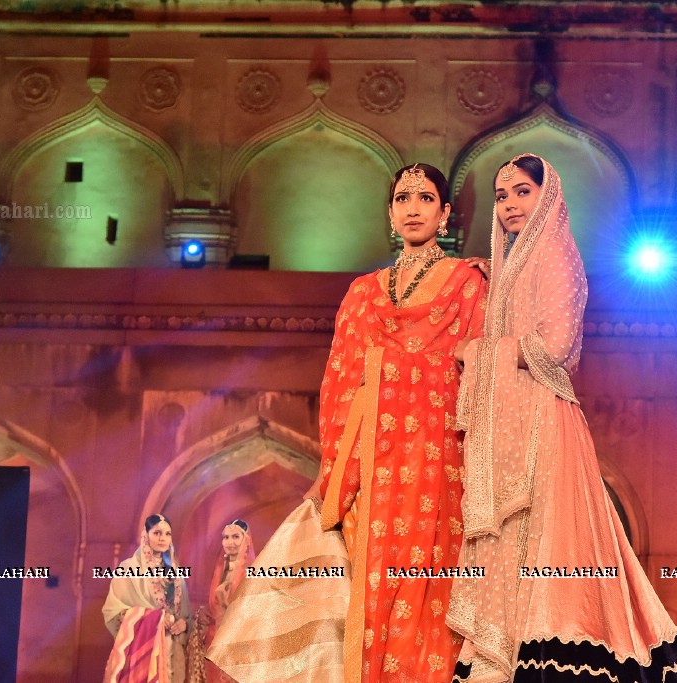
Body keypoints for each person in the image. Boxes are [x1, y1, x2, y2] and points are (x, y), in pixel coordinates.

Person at [211, 162, 488, 683]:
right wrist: (331, 468)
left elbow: (479, 374)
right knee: (365, 584)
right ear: (389, 213)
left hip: (437, 455)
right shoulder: (363, 292)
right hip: (367, 463)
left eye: (425, 198)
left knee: (429, 584)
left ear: (446, 213)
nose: (412, 208)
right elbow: (339, 381)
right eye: (402, 198)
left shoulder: (467, 283)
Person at [447, 154, 677, 682]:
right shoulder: (508, 269)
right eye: (501, 196)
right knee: (509, 548)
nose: (510, 205)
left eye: (522, 191)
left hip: (543, 421)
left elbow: (557, 347)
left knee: (550, 548)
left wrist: (478, 352)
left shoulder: (558, 255)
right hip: (506, 425)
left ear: (548, 197)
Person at [103, 514, 192, 683]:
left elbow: (185, 614)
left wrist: (184, 624)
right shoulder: (128, 568)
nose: (162, 538)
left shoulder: (176, 573)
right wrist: (155, 618)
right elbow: (114, 612)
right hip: (143, 649)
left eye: (167, 534)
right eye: (157, 533)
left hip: (173, 650)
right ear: (146, 535)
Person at [188, 520, 253, 683]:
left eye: (236, 537)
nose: (230, 542)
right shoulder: (220, 569)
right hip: (215, 638)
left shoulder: (253, 571)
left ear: (246, 540)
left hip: (239, 640)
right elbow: (215, 606)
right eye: (226, 537)